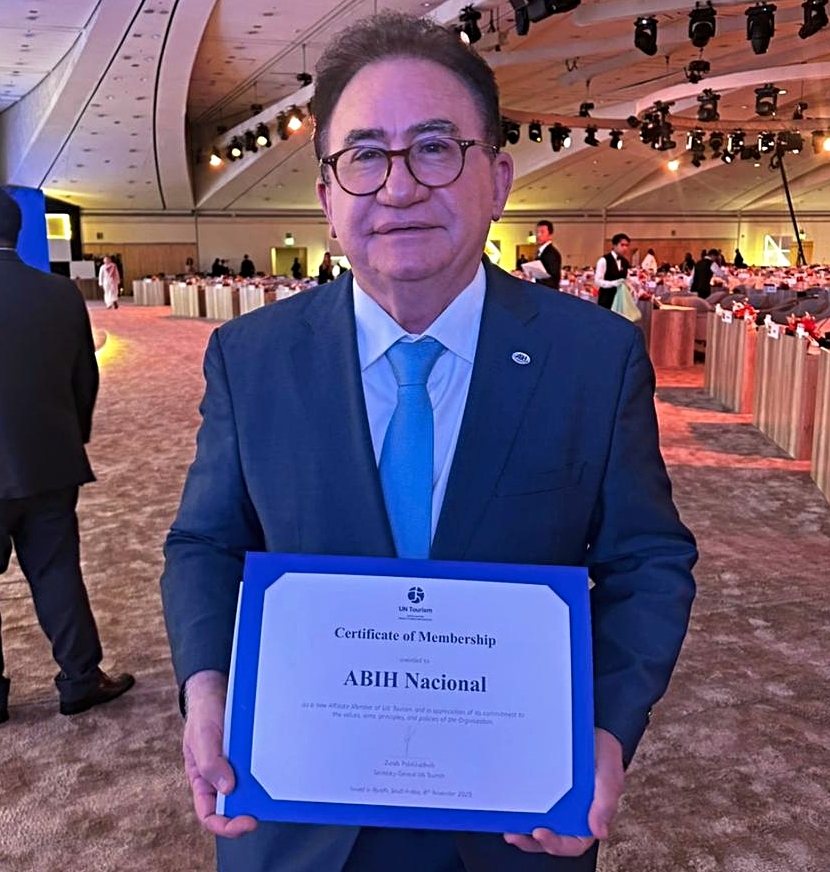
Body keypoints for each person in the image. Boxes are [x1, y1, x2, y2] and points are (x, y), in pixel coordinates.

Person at [160, 13, 696, 872]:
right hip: (297, 813)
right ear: (327, 196)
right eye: (364, 156)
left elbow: (648, 561)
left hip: (514, 820)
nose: (399, 187)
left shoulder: (593, 358)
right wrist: (205, 686)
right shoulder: (250, 358)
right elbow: (206, 543)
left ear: (499, 179)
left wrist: (603, 730)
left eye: (436, 148)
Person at [0, 189, 134, 724]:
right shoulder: (60, 294)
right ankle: (80, 678)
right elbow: (85, 377)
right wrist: (70, 436)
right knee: (57, 573)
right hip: (49, 461)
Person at [594, 233, 631, 309]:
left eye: (627, 245)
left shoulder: (625, 262)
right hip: (606, 299)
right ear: (614, 245)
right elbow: (597, 281)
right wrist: (612, 283)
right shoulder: (604, 260)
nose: (625, 248)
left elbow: (626, 279)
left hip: (620, 300)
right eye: (622, 245)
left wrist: (631, 287)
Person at [534, 220, 561, 290]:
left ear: (550, 235)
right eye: (537, 232)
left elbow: (552, 280)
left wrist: (532, 279)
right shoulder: (542, 251)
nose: (538, 235)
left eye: (542, 232)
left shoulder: (551, 253)